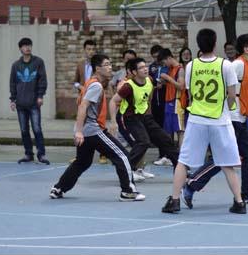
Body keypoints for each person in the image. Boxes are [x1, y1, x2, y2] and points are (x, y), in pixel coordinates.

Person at [162, 28, 246, 214]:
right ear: (215, 44)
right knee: (227, 163)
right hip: (220, 120)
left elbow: (190, 93)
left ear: (198, 45)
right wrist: (226, 109)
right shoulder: (225, 65)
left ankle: (174, 200)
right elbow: (232, 95)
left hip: (197, 119)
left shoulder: (191, 66)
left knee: (184, 161)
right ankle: (239, 202)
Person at [181, 33, 248, 209]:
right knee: (223, 159)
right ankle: (191, 184)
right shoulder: (237, 65)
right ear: (246, 49)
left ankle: (246, 192)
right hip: (231, 118)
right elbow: (227, 89)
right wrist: (227, 111)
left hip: (240, 118)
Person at [49, 54, 145, 202]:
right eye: (106, 64)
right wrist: (79, 131)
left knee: (82, 162)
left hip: (86, 130)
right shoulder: (96, 86)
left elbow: (82, 103)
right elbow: (83, 106)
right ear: (98, 68)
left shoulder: (91, 83)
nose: (110, 67)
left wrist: (79, 130)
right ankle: (128, 192)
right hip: (92, 130)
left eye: (110, 64)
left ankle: (59, 188)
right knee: (122, 156)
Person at [108, 58, 179, 180]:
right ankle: (126, 170)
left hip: (145, 117)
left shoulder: (149, 80)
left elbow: (151, 94)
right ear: (134, 72)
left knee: (166, 139)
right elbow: (113, 101)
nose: (145, 69)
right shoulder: (128, 86)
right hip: (129, 118)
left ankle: (180, 170)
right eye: (141, 67)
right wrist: (113, 122)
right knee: (143, 142)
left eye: (145, 66)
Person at [10, 37, 49, 165]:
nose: (27, 48)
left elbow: (42, 80)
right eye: (25, 46)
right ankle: (28, 154)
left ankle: (41, 154)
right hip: (20, 104)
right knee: (24, 130)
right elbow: (13, 83)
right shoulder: (16, 65)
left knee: (37, 129)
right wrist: (13, 99)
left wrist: (40, 96)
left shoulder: (38, 62)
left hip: (34, 103)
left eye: (29, 45)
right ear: (20, 49)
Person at [73, 39, 107, 165]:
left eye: (93, 49)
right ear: (84, 50)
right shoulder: (80, 64)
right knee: (82, 124)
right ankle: (80, 156)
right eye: (88, 49)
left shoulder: (99, 66)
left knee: (99, 124)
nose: (91, 51)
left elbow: (105, 82)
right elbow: (75, 81)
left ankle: (103, 155)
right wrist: (81, 88)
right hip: (84, 97)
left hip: (96, 98)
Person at [157, 48, 186, 146]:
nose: (164, 65)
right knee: (168, 130)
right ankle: (171, 153)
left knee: (180, 130)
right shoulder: (170, 69)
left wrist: (168, 78)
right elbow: (172, 84)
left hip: (177, 103)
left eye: (164, 62)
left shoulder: (180, 69)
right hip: (168, 101)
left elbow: (181, 86)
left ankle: (181, 154)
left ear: (169, 58)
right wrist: (164, 82)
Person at [149, 44, 171, 166]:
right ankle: (161, 154)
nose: (156, 59)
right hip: (155, 102)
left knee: (167, 129)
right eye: (154, 57)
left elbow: (172, 82)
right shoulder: (151, 67)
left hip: (166, 101)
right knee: (158, 129)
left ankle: (169, 155)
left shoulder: (167, 67)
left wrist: (164, 83)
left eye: (157, 56)